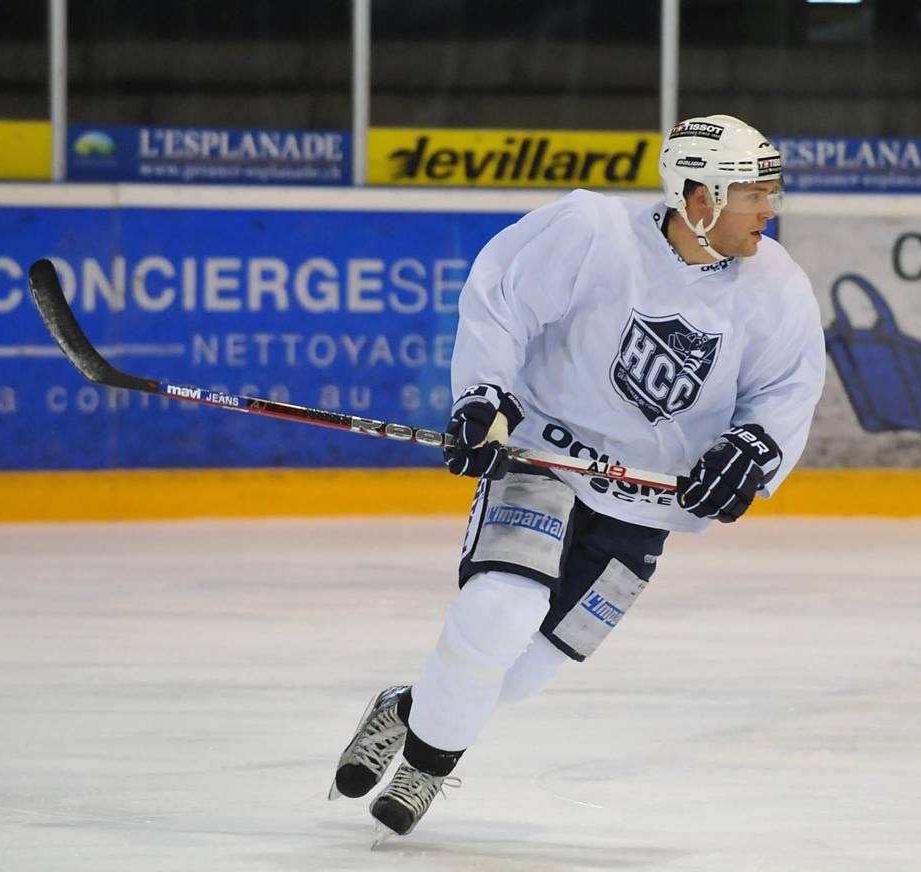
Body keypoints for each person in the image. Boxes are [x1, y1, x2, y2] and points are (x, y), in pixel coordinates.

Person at [329, 114, 826, 843]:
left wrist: (753, 450)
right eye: (755, 192)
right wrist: (483, 394)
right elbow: (501, 303)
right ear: (701, 198)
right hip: (542, 459)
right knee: (498, 609)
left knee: (522, 675)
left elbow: (786, 392)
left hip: (647, 503)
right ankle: (427, 765)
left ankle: (409, 710)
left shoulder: (776, 286)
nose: (771, 208)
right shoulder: (592, 231)